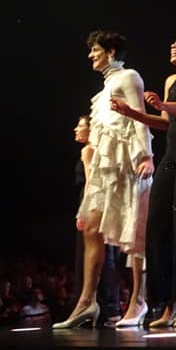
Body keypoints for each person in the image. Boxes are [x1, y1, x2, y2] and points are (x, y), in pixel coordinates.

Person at [111, 29, 176, 328]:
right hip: (175, 143)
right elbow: (165, 121)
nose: (173, 45)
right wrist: (133, 112)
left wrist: (162, 105)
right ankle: (168, 303)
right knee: (159, 223)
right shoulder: (172, 80)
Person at [55, 30, 153, 329]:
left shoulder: (129, 77)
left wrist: (147, 156)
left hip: (128, 163)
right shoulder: (105, 87)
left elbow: (139, 116)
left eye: (95, 49)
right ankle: (87, 302)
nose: (90, 55)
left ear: (110, 51)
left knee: (135, 233)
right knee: (91, 231)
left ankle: (139, 300)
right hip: (105, 169)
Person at [73, 115, 121, 326]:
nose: (76, 129)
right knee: (105, 258)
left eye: (80, 125)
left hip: (94, 205)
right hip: (100, 204)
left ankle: (106, 308)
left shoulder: (90, 150)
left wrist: (84, 212)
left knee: (99, 258)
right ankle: (108, 308)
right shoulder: (99, 150)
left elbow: (92, 182)